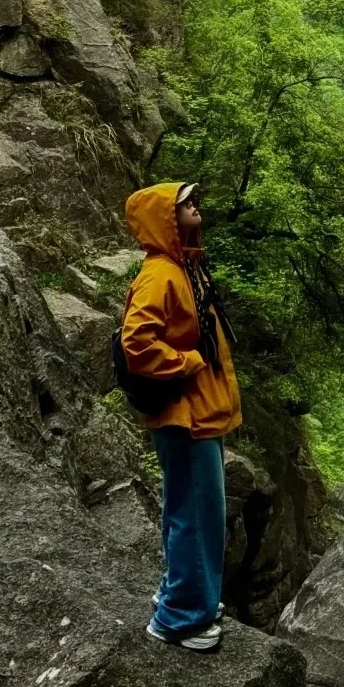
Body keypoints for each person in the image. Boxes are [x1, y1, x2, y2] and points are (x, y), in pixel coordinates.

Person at [120, 181, 241, 652]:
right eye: (183, 202)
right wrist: (187, 362)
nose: (194, 205)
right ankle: (180, 618)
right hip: (186, 416)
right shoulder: (161, 274)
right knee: (197, 514)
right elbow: (136, 343)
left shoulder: (184, 266)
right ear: (162, 218)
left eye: (194, 199)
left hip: (197, 412)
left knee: (188, 509)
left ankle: (184, 594)